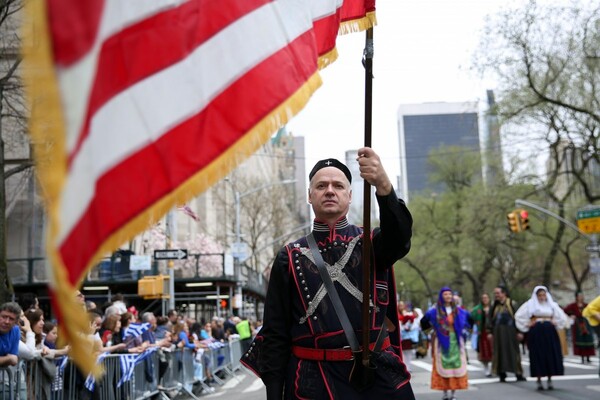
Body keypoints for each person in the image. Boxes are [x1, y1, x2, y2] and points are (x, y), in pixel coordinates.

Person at [241, 149, 414, 399]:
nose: (330, 190)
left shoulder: (374, 243)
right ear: (310, 196)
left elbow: (400, 238)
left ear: (350, 195)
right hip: (313, 383)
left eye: (338, 185)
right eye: (321, 185)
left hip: (375, 378)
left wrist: (383, 184)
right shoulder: (288, 256)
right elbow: (275, 334)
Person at [421, 287, 470, 400]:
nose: (448, 296)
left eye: (449, 294)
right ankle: (445, 393)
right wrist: (431, 331)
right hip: (441, 341)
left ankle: (453, 394)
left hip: (456, 341)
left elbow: (468, 320)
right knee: (442, 366)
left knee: (455, 367)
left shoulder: (458, 310)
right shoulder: (435, 311)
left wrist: (465, 330)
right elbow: (424, 321)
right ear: (441, 296)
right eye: (445, 294)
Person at [515, 286, 568, 390]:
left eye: (543, 295)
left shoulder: (552, 305)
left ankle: (549, 379)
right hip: (537, 332)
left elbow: (562, 317)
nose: (542, 297)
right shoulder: (530, 305)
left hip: (550, 332)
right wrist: (528, 324)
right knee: (538, 355)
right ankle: (539, 379)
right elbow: (518, 316)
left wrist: (556, 322)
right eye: (539, 295)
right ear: (536, 296)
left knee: (550, 354)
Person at [488, 286, 527, 383]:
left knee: (513, 351)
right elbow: (490, 320)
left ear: (504, 293)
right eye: (495, 293)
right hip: (498, 333)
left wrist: (520, 332)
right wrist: (489, 332)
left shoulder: (512, 304)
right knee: (499, 352)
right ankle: (501, 374)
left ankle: (518, 373)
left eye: (498, 293)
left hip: (511, 333)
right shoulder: (494, 306)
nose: (496, 295)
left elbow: (519, 318)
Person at [564, 291, 596, 363]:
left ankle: (588, 357)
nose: (581, 297)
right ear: (576, 297)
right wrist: (571, 315)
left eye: (582, 296)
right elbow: (565, 310)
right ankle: (582, 357)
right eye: (579, 296)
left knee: (588, 339)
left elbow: (591, 311)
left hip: (586, 323)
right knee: (580, 340)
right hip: (578, 324)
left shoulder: (586, 305)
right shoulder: (573, 305)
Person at [470, 293, 493, 377]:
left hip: (493, 332)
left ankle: (494, 368)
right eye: (483, 298)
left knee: (493, 350)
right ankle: (486, 368)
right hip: (482, 332)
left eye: (486, 297)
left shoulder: (493, 308)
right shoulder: (477, 309)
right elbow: (471, 318)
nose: (485, 299)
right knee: (484, 351)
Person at [0, 302, 22, 367]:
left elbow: (14, 360)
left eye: (11, 319)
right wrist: (9, 358)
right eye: (4, 317)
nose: (7, 321)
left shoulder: (15, 330)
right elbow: (12, 358)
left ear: (16, 322)